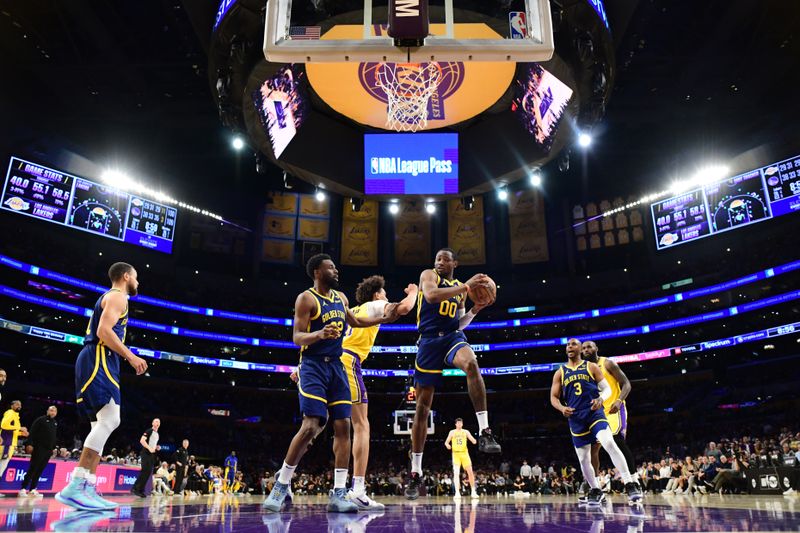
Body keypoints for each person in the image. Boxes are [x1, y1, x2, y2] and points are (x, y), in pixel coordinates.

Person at [263, 254, 397, 513]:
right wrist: (319, 334)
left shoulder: (341, 298)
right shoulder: (306, 299)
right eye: (330, 267)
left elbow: (355, 321)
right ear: (316, 271)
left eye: (335, 267)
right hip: (313, 366)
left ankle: (338, 493)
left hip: (336, 366)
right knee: (311, 425)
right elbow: (297, 337)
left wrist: (382, 320)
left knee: (343, 427)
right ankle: (281, 485)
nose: (336, 270)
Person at [405, 249, 501, 500]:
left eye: (445, 259)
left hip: (451, 338)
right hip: (427, 342)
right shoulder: (429, 276)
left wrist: (476, 309)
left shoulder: (460, 288)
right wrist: (466, 287)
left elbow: (459, 323)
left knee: (471, 364)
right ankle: (415, 472)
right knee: (422, 409)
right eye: (437, 258)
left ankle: (485, 431)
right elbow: (432, 295)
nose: (439, 261)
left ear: (455, 263)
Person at [55, 262, 148, 511]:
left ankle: (87, 485)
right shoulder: (119, 296)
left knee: (101, 423)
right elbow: (104, 331)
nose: (138, 283)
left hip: (101, 357)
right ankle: (76, 486)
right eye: (136, 277)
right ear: (126, 276)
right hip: (99, 355)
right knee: (110, 419)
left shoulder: (112, 297)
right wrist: (131, 356)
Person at [337, 275, 417, 509]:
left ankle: (285, 477)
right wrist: (414, 291)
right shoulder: (373, 306)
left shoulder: (350, 311)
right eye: (384, 293)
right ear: (376, 294)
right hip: (349, 362)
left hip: (330, 362)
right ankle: (358, 490)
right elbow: (403, 308)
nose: (386, 297)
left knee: (317, 424)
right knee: (362, 425)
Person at [549, 338, 642, 505]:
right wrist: (562, 408)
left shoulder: (592, 366)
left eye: (574, 344)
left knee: (611, 443)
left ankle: (630, 484)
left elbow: (606, 388)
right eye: (568, 345)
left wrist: (601, 398)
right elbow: (553, 397)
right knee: (584, 457)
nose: (570, 346)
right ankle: (595, 489)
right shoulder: (560, 372)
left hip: (595, 412)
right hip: (576, 418)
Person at [581, 341, 642, 494]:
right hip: (597, 413)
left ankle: (634, 481)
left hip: (615, 409)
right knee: (593, 448)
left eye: (589, 346)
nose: (586, 349)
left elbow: (626, 384)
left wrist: (619, 400)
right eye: (583, 348)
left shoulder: (607, 363)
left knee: (617, 441)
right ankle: (593, 485)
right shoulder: (584, 369)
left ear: (596, 349)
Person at [20, 405, 58, 497]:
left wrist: (54, 447)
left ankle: (33, 489)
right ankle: (23, 489)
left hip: (48, 451)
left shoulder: (55, 423)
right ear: (47, 411)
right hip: (38, 448)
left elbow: (53, 436)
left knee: (40, 470)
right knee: (33, 468)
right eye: (51, 410)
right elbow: (32, 432)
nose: (52, 412)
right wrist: (29, 444)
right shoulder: (40, 420)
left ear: (56, 413)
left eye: (54, 411)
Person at [445, 418, 479, 500]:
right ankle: (457, 492)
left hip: (465, 454)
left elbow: (473, 440)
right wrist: (447, 445)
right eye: (458, 423)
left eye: (461, 423)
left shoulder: (466, 431)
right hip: (456, 454)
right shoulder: (452, 432)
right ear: (456, 424)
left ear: (462, 424)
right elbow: (446, 442)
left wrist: (475, 441)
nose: (460, 424)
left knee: (470, 472)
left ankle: (473, 491)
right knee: (456, 473)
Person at [0, 400, 28, 496]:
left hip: (10, 445)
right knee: (1, 467)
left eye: (20, 404)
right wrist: (19, 428)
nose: (19, 405)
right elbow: (3, 425)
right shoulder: (10, 413)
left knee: (2, 467)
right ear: (12, 405)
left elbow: (12, 431)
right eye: (17, 404)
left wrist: (21, 433)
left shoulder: (16, 416)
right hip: (5, 445)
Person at [132, 418, 161, 497]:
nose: (157, 423)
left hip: (151, 455)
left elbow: (152, 445)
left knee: (148, 472)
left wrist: (156, 447)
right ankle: (135, 489)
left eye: (159, 422)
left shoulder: (157, 434)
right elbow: (142, 440)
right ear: (152, 423)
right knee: (145, 471)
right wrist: (149, 448)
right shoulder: (149, 431)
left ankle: (140, 490)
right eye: (156, 421)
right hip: (145, 453)